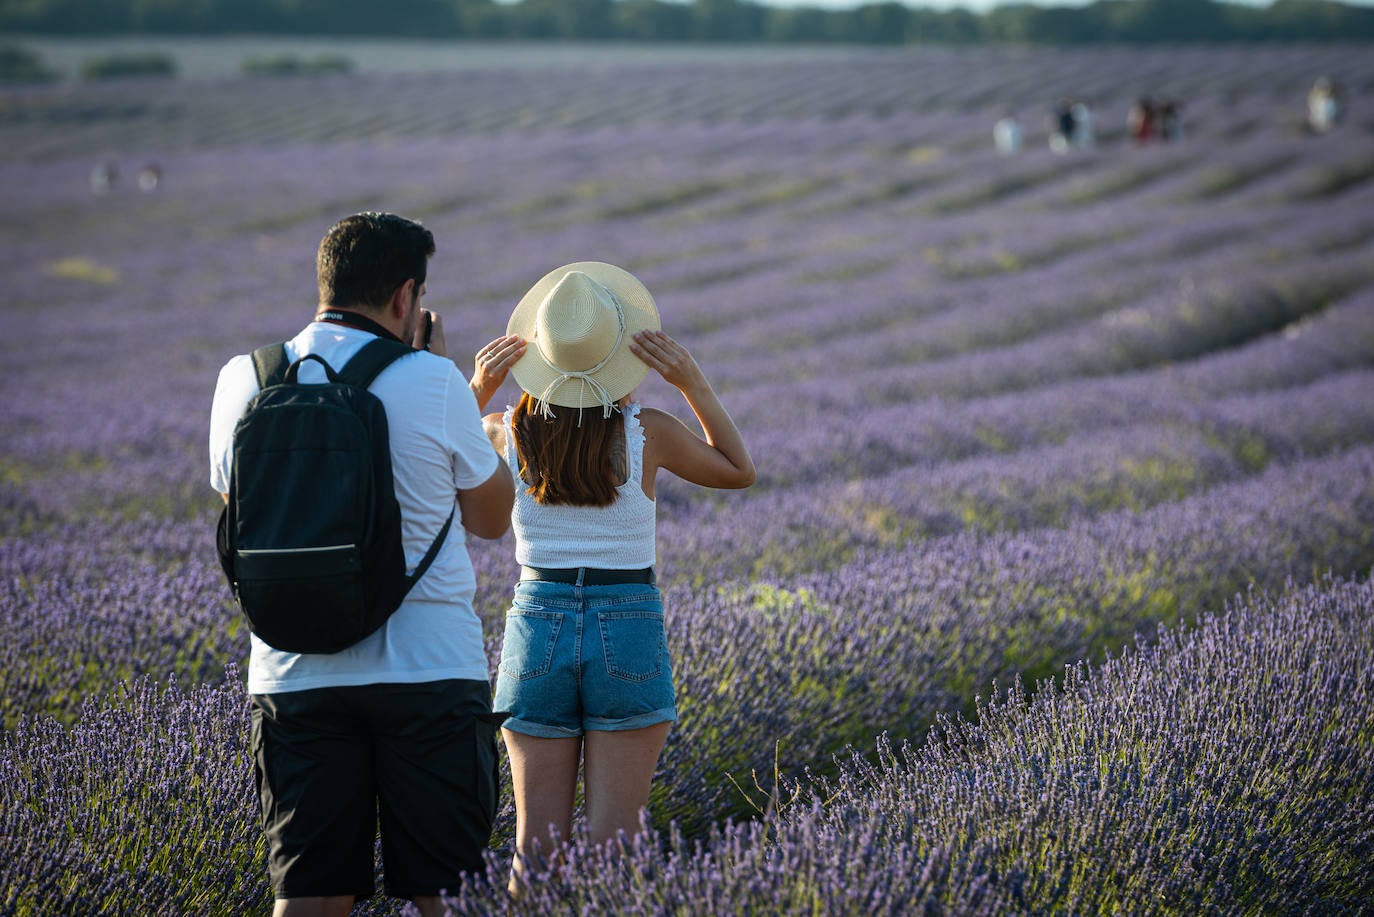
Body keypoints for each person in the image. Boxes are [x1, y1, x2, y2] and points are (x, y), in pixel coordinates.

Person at [208, 212, 517, 917]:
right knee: (449, 893)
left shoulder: (243, 378)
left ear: (324, 283)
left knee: (310, 894)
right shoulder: (433, 380)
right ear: (407, 296)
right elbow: (491, 518)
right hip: (428, 671)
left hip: (293, 671)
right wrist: (454, 384)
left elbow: (242, 505)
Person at [475, 262, 755, 891]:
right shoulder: (648, 432)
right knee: (617, 850)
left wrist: (475, 387)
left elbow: (429, 461)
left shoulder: (502, 431)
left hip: (536, 623)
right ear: (619, 359)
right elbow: (739, 470)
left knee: (535, 853)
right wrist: (692, 382)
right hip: (626, 618)